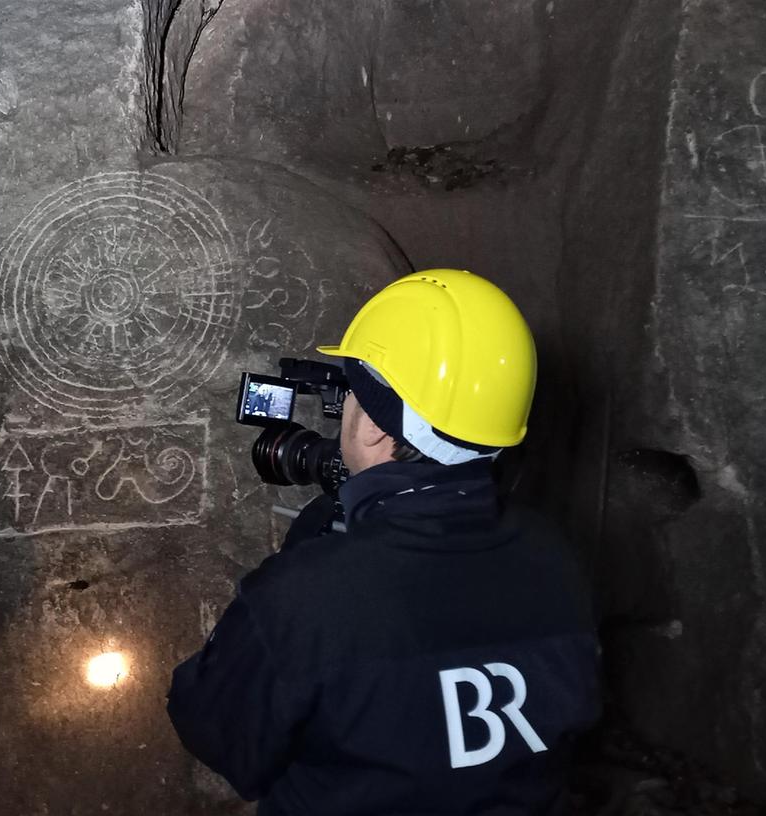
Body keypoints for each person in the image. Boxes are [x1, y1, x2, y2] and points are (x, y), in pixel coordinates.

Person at [167, 269, 601, 815]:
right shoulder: (556, 558)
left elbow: (217, 732)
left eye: (350, 393)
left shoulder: (304, 601)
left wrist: (275, 611)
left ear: (373, 424)